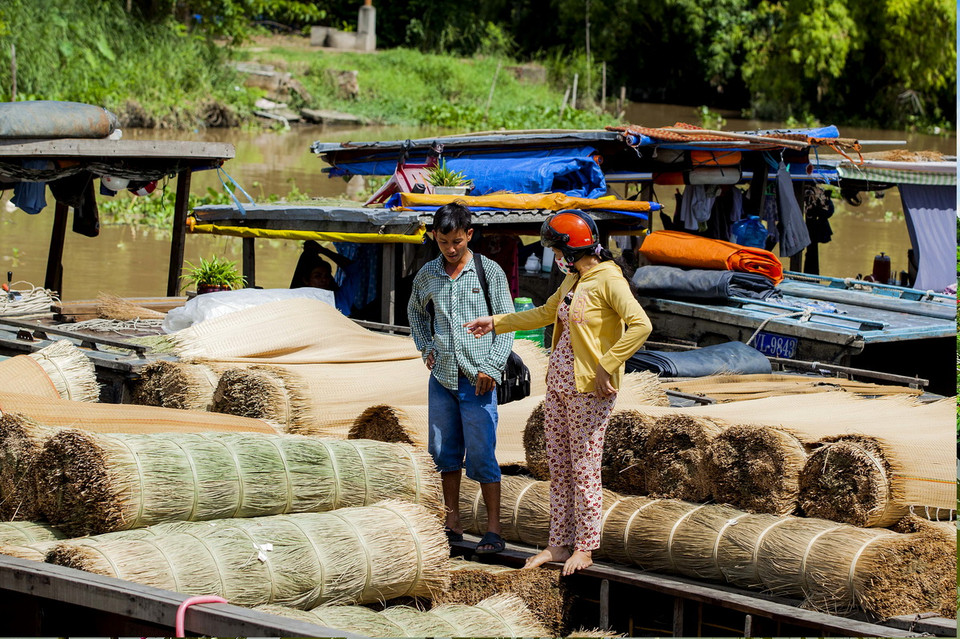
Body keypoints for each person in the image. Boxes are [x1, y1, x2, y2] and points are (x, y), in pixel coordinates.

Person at [464, 209, 652, 575]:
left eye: (555, 249)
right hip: (559, 386)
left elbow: (640, 325)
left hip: (587, 390)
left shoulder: (608, 280)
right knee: (560, 468)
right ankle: (558, 544)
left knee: (584, 469)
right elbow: (547, 313)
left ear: (572, 248)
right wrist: (497, 322)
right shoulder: (574, 278)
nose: (552, 256)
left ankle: (585, 547)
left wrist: (607, 365)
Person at [407, 202, 514, 555]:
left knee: (483, 453)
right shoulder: (427, 275)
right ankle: (452, 523)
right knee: (443, 452)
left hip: (478, 379)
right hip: (442, 378)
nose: (451, 250)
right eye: (443, 243)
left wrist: (492, 367)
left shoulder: (489, 271)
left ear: (469, 234)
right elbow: (415, 313)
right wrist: (426, 349)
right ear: (434, 237)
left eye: (457, 242)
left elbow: (507, 323)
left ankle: (493, 531)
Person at [290, 240, 355, 316]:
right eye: (317, 276)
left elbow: (354, 269)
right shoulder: (297, 301)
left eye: (327, 276)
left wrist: (323, 250)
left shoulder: (339, 298)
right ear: (306, 280)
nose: (324, 280)